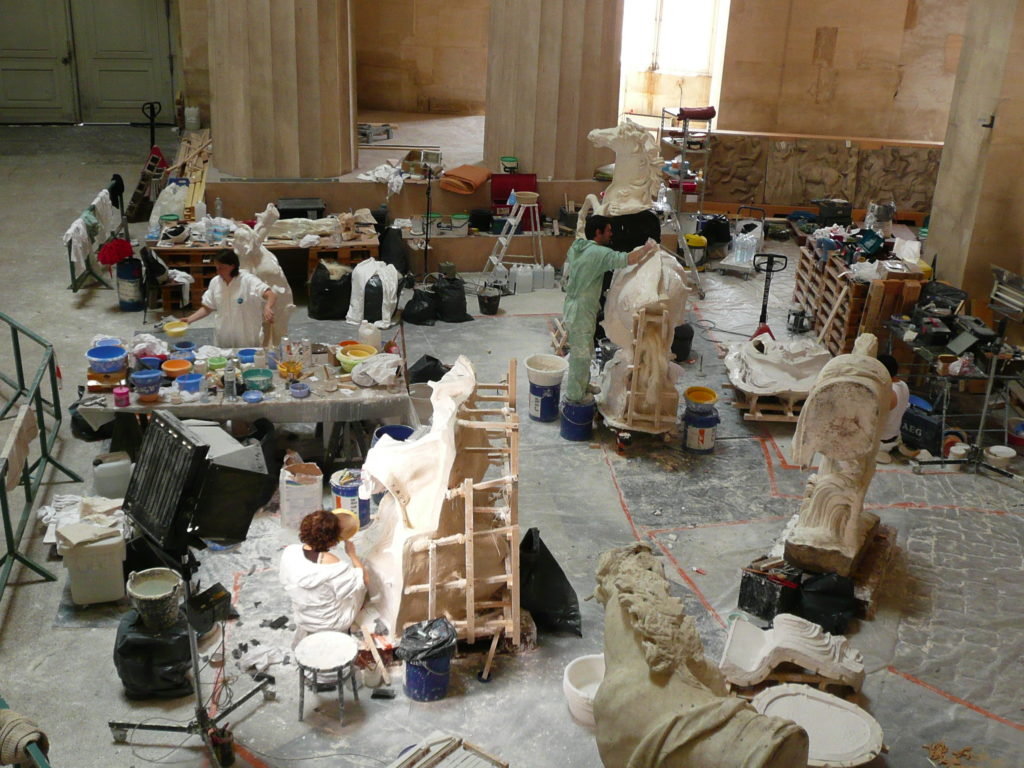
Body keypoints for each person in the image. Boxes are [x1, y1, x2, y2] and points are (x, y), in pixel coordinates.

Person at [562, 215, 650, 402]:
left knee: (586, 350)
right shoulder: (599, 254)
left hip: (575, 306)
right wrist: (649, 248)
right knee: (580, 354)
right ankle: (575, 396)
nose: (611, 234)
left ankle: (583, 385)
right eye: (608, 231)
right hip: (581, 310)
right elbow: (627, 259)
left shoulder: (578, 246)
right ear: (598, 233)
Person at [279, 509, 368, 645]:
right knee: (360, 586)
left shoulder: (290, 552)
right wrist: (352, 555)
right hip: (332, 623)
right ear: (333, 541)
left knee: (331, 589)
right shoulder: (335, 566)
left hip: (304, 618)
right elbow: (364, 580)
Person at [183, 251, 277, 348]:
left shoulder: (248, 280)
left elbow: (271, 294)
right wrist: (190, 319)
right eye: (216, 267)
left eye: (221, 268)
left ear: (232, 266)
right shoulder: (215, 282)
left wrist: (268, 307)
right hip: (224, 334)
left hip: (247, 335)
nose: (218, 271)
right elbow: (207, 308)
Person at [877, 353, 909, 463]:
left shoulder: (888, 393)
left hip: (883, 439)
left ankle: (880, 452)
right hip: (894, 435)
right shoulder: (903, 385)